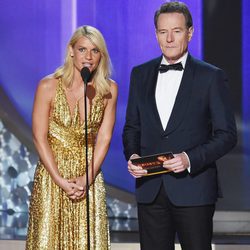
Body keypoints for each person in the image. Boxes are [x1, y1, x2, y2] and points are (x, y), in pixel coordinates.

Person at [122, 2, 237, 250]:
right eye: (163, 32)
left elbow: (227, 135)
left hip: (193, 189)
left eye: (176, 31)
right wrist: (133, 155)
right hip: (150, 191)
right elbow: (132, 127)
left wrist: (188, 158)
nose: (170, 39)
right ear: (156, 34)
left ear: (190, 32)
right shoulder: (139, 74)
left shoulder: (210, 76)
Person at [26, 25, 118, 250]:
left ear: (101, 56)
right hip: (52, 175)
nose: (88, 57)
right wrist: (59, 180)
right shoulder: (48, 86)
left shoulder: (108, 90)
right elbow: (39, 137)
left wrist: (87, 178)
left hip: (88, 176)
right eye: (82, 49)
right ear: (71, 51)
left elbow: (104, 138)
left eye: (95, 51)